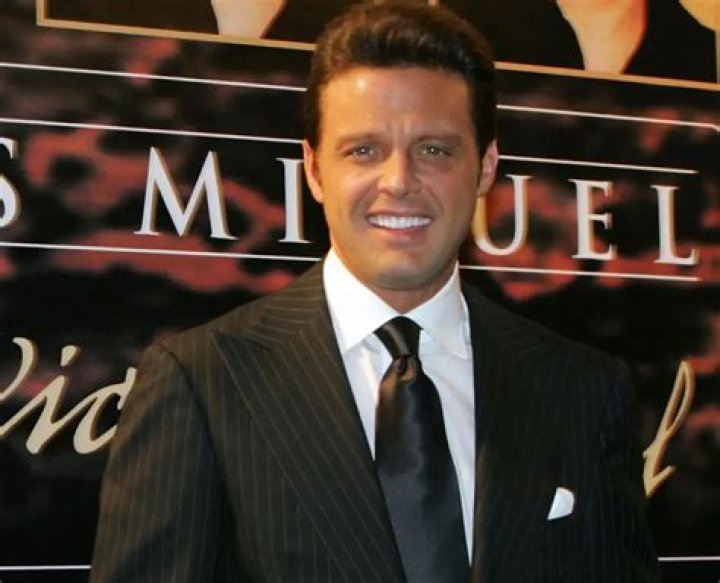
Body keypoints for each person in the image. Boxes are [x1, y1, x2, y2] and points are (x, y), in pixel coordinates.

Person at [90, 3, 660, 581]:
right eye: (363, 150)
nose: (399, 181)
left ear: (486, 167)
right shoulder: (202, 383)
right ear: (314, 169)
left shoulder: (582, 390)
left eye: (434, 150)